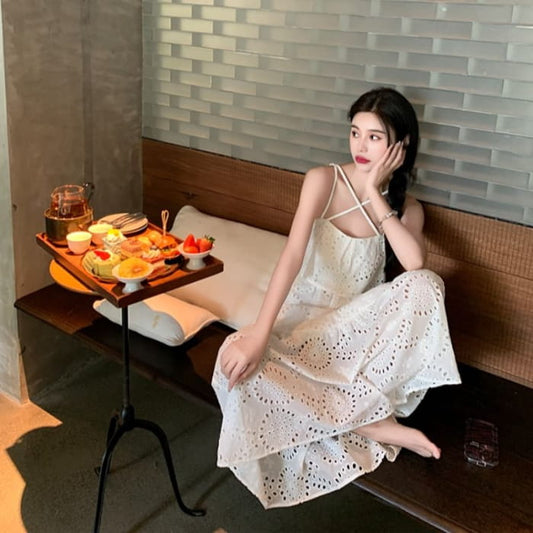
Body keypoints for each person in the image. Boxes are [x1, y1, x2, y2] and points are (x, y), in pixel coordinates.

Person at [211, 87, 461, 509]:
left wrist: (375, 193)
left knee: (427, 284)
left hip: (356, 332)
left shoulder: (408, 209)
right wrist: (259, 334)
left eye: (375, 137)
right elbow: (291, 257)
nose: (360, 147)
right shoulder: (323, 181)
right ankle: (372, 424)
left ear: (401, 146)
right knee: (233, 366)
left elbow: (415, 264)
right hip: (305, 324)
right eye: (355, 133)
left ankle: (352, 413)